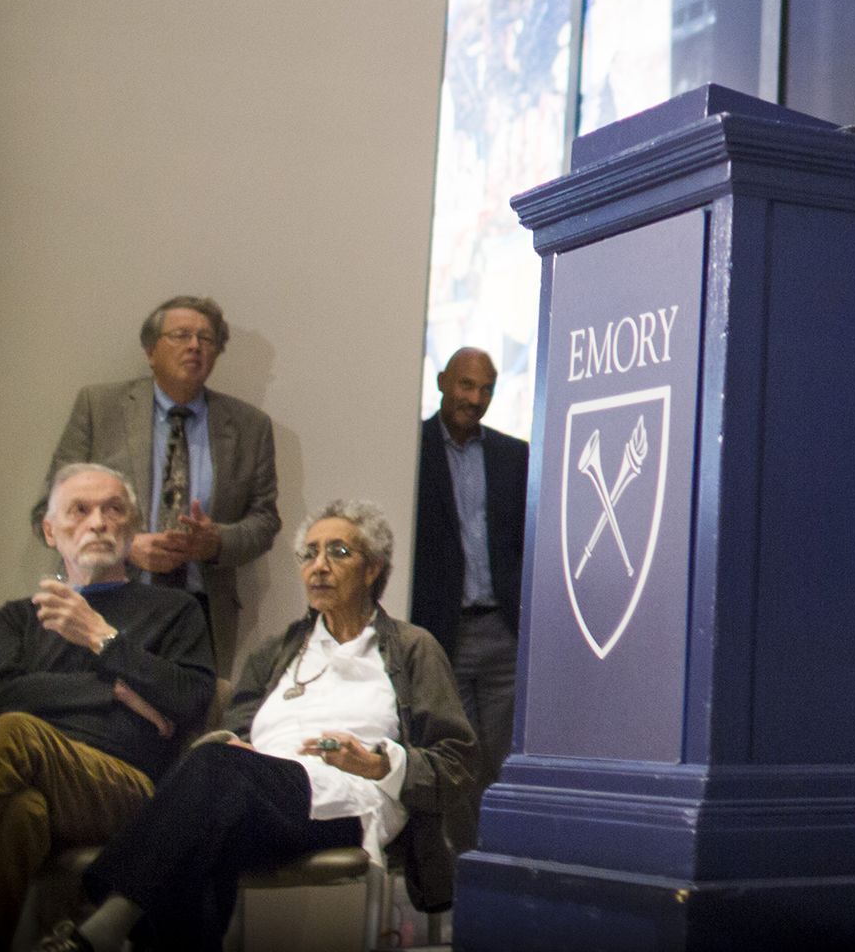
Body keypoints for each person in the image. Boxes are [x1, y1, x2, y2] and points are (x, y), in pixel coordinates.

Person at [38, 500, 474, 952]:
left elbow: (457, 763)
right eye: (309, 554)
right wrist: (233, 742)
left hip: (348, 801)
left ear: (372, 570)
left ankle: (99, 929)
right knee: (208, 830)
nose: (319, 566)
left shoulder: (411, 648)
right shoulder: (279, 650)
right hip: (254, 792)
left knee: (213, 779)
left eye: (338, 553)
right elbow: (236, 731)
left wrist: (377, 764)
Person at [0, 465, 215, 949]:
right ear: (51, 531)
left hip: (126, 787)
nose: (98, 522)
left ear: (131, 529)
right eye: (80, 510)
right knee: (20, 814)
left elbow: (190, 699)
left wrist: (100, 637)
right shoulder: (19, 617)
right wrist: (109, 692)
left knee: (15, 734)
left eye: (114, 510)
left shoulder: (176, 611)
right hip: (32, 782)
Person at [48, 295, 281, 665]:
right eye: (181, 335)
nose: (194, 346)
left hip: (200, 610)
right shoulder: (99, 408)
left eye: (206, 339)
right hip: (105, 595)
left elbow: (265, 521)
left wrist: (216, 542)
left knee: (191, 715)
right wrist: (125, 546)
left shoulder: (250, 426)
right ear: (151, 350)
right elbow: (50, 510)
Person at [407, 345, 529, 850]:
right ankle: (462, 874)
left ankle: (501, 862)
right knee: (456, 759)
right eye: (465, 385)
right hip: (442, 631)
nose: (474, 399)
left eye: (485, 389)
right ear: (441, 382)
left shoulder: (513, 455)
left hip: (503, 628)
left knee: (504, 759)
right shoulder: (411, 446)